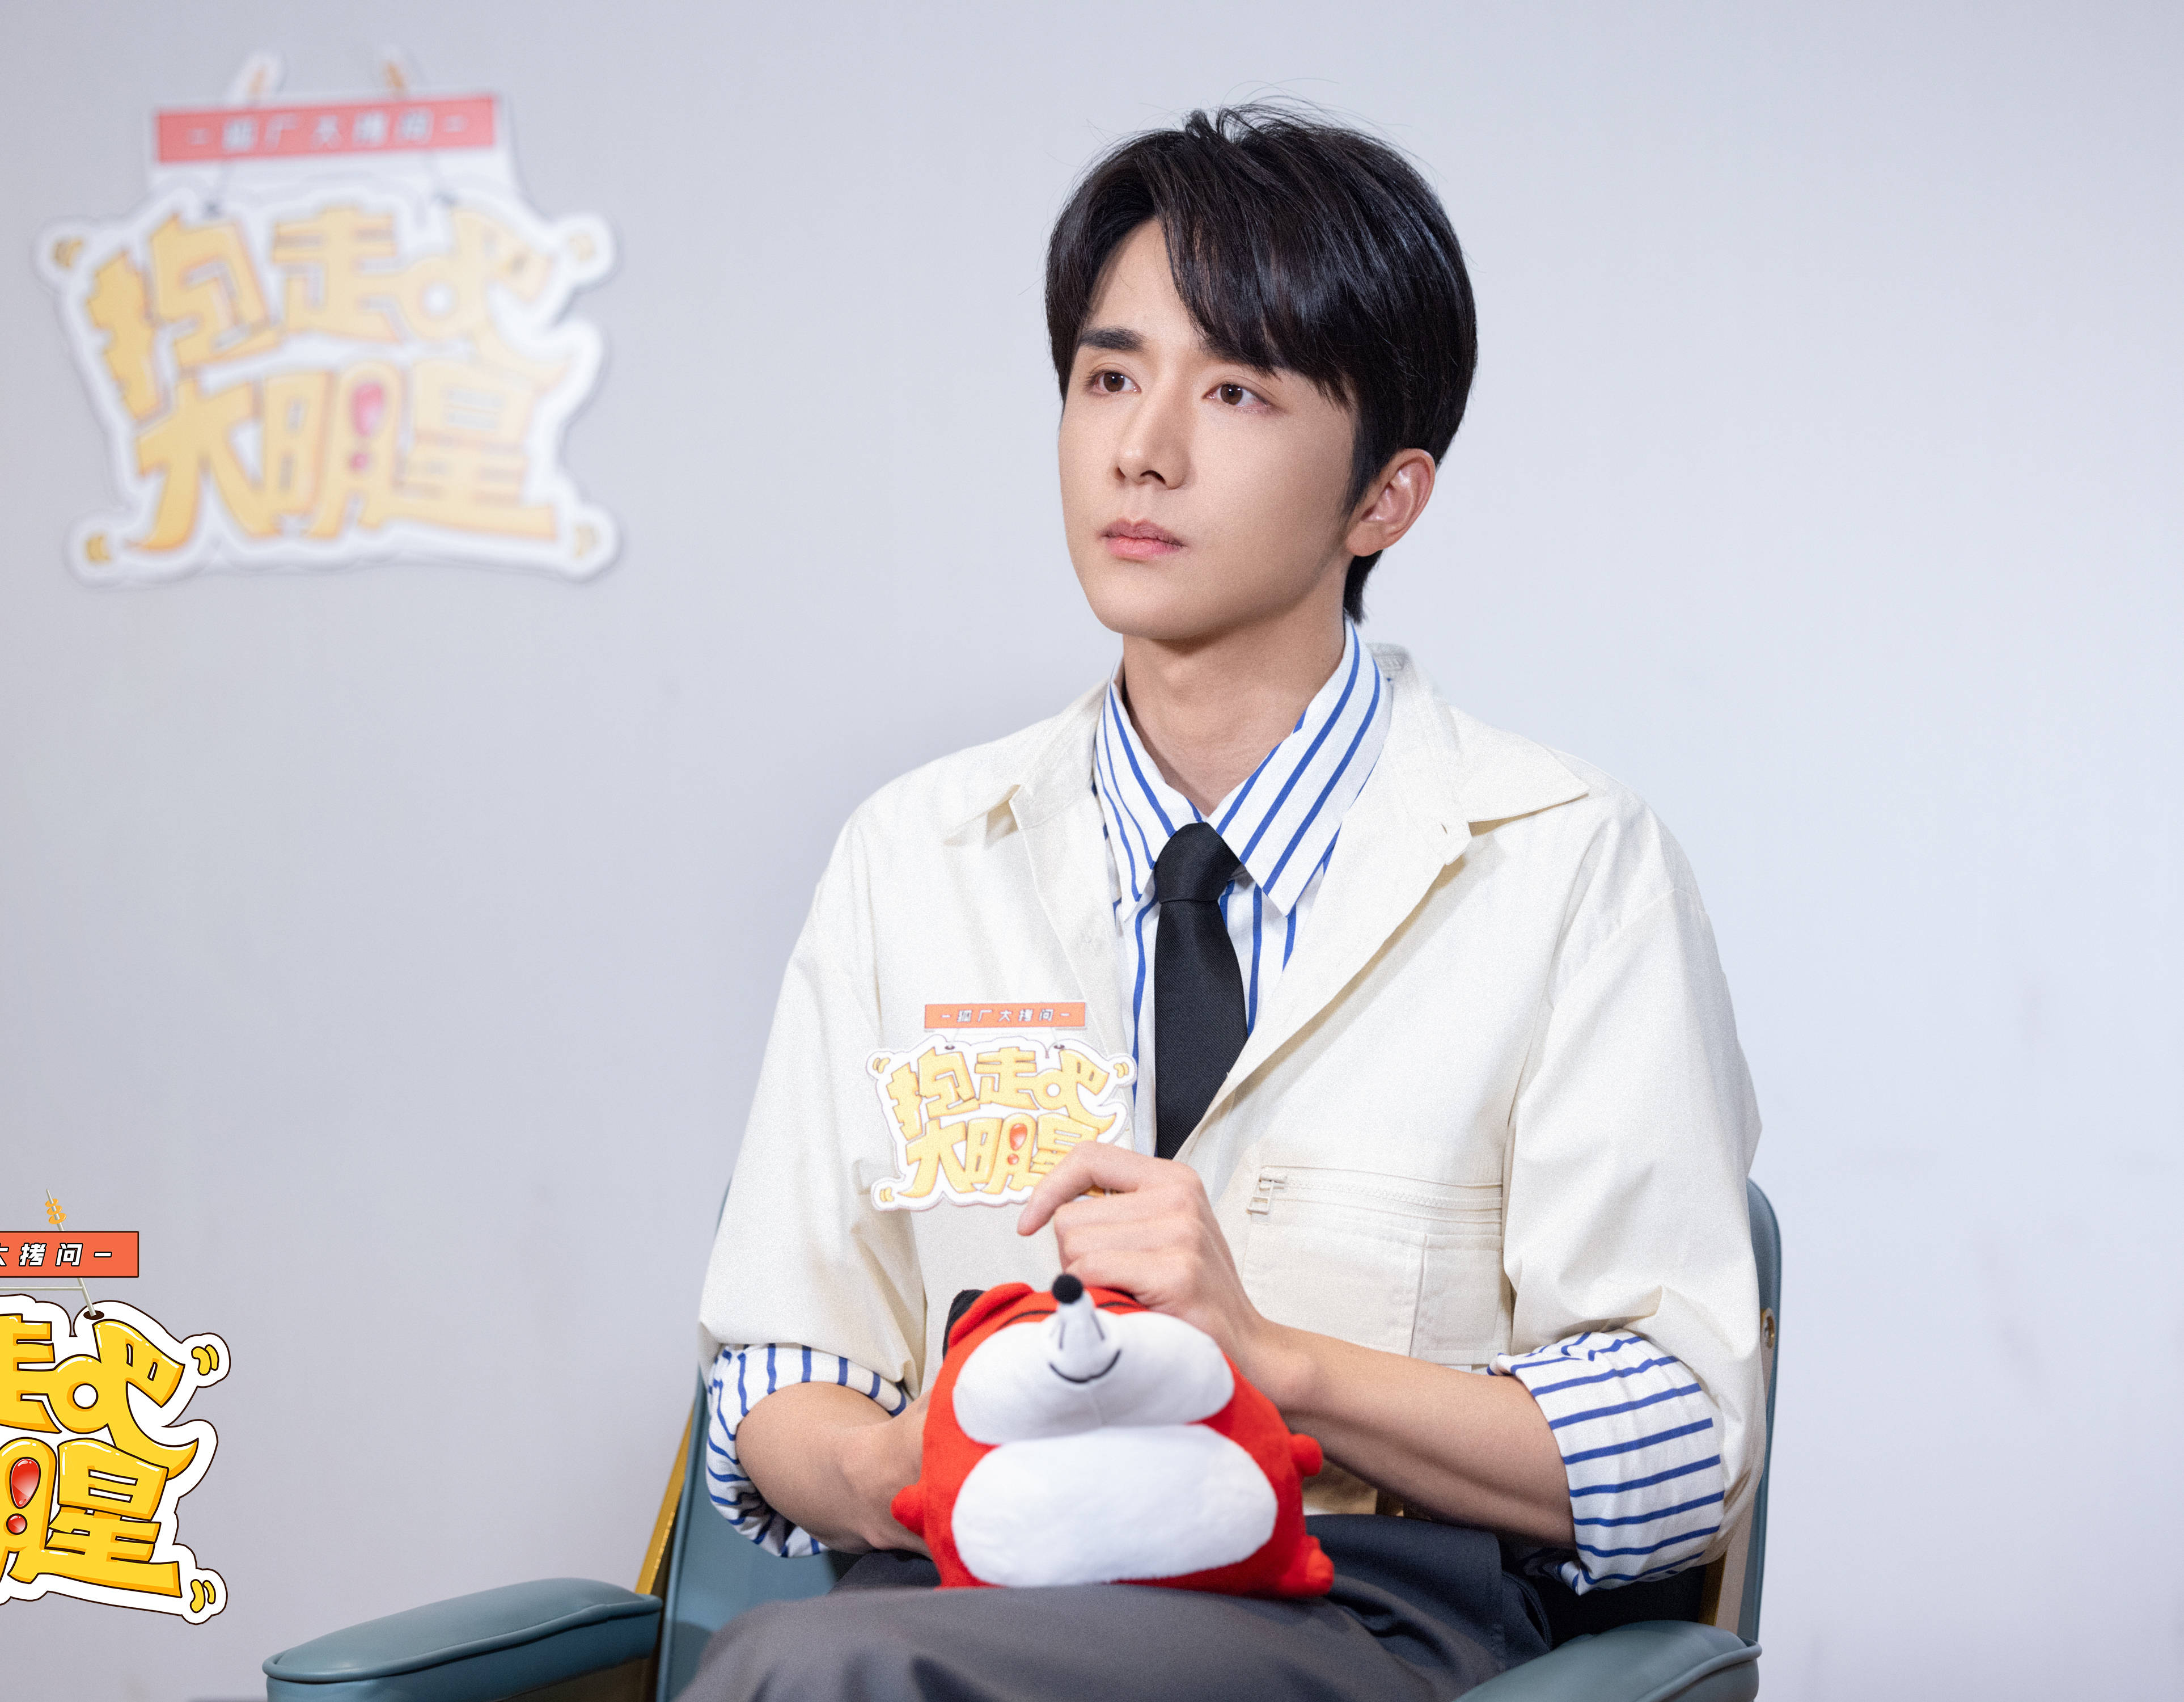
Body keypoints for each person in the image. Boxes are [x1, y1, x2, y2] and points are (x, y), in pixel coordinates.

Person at [687, 106, 1764, 1701]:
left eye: (1236, 390)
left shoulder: (1568, 864)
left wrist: (1273, 1367)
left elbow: (1677, 1442)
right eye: (1109, 377)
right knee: (821, 1659)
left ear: (1383, 498)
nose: (1144, 448)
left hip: (1360, 1619)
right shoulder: (913, 856)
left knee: (816, 1678)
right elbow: (778, 1370)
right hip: (953, 1587)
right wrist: (908, 1462)